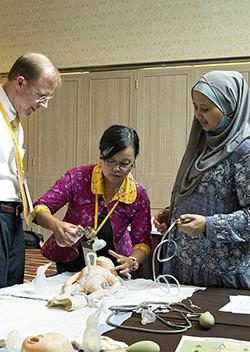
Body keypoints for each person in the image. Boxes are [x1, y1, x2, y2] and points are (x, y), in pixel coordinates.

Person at [154, 70, 250, 289]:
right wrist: (174, 213)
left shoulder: (244, 151)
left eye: (205, 108)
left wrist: (209, 225)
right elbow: (210, 197)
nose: (198, 114)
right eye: (196, 107)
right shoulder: (202, 145)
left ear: (230, 108)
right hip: (183, 273)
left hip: (223, 280)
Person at [33, 125, 152, 279]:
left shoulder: (138, 195)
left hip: (114, 266)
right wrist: (57, 226)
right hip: (72, 259)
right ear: (101, 154)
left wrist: (132, 261)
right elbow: (39, 208)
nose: (116, 169)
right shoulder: (78, 177)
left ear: (134, 160)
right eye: (110, 161)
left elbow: (142, 242)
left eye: (125, 163)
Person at [0, 53, 61, 288]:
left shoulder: (16, 122)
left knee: (12, 290)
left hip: (13, 216)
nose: (43, 105)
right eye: (40, 96)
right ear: (20, 82)